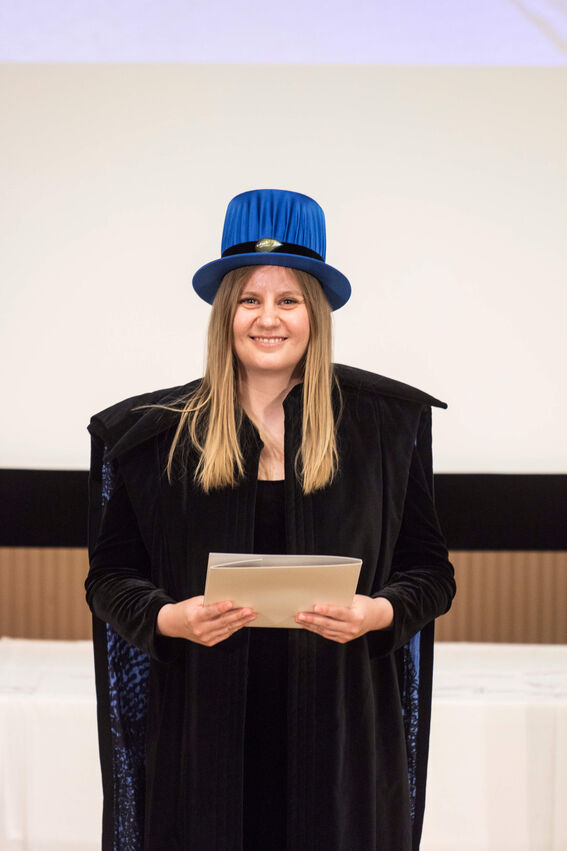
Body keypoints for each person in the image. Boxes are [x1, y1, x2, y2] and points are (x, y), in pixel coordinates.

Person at [85, 188, 456, 851]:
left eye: (288, 300)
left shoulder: (385, 427)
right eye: (250, 300)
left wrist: (378, 612)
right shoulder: (150, 438)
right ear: (225, 313)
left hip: (342, 747)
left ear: (314, 313)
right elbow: (110, 576)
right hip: (204, 745)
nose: (268, 318)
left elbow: (428, 571)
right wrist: (169, 619)